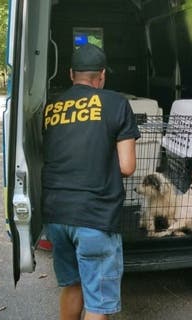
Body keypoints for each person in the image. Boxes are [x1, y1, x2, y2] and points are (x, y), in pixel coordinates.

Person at [41, 43, 140, 320]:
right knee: (97, 301)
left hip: (56, 213)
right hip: (94, 215)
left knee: (72, 285)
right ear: (102, 76)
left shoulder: (51, 106)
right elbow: (128, 166)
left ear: (72, 74)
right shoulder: (116, 103)